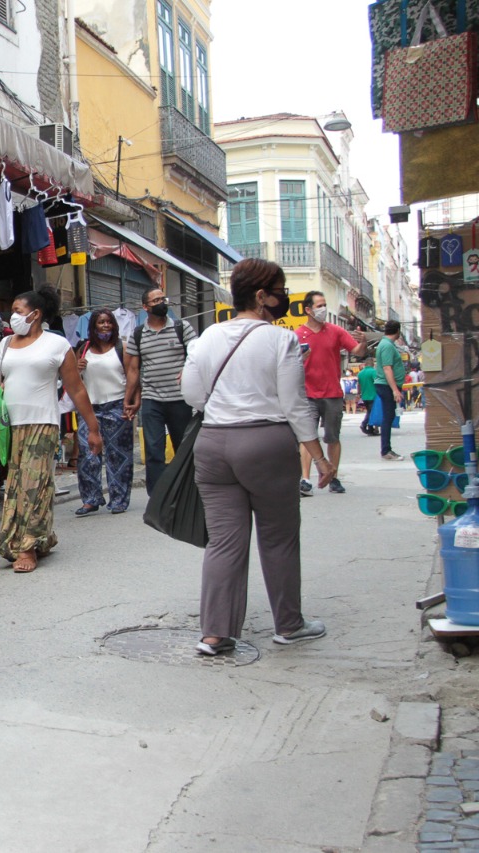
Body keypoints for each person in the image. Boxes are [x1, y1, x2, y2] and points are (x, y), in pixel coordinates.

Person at [181, 259, 333, 657]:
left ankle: (215, 634)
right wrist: (319, 458)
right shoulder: (279, 340)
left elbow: (192, 395)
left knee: (225, 542)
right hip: (265, 444)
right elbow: (296, 406)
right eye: (279, 289)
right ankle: (289, 624)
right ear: (261, 296)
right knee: (279, 538)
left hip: (213, 445)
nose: (285, 296)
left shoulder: (206, 337)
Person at [0, 289, 101, 570]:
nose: (12, 316)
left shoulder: (57, 344)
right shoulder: (4, 344)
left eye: (17, 310)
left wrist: (93, 427)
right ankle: (32, 539)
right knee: (14, 485)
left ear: (35, 314)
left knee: (35, 484)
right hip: (10, 425)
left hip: (42, 423)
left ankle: (28, 548)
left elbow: (76, 388)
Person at [126, 288, 198, 494]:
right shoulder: (138, 334)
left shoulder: (181, 327)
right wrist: (128, 398)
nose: (161, 302)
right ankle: (157, 495)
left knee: (183, 448)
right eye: (156, 300)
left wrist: (187, 368)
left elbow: (196, 355)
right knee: (154, 449)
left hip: (180, 399)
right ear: (145, 307)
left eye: (162, 299)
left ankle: (189, 490)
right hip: (152, 400)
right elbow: (133, 369)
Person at [295, 290, 366, 496]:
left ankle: (333, 477)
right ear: (308, 310)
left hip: (332, 393)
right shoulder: (298, 335)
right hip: (307, 394)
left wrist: (362, 341)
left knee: (332, 437)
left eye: (324, 304)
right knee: (307, 437)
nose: (323, 309)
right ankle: (306, 479)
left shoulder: (335, 331)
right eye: (319, 306)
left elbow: (357, 351)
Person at [73, 308, 135, 516]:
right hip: (89, 407)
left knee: (118, 455)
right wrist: (77, 367)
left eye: (109, 322)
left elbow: (133, 376)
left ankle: (118, 499)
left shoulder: (122, 347)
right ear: (93, 326)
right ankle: (91, 499)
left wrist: (132, 402)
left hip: (117, 405)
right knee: (87, 453)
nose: (105, 325)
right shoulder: (83, 349)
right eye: (101, 322)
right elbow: (72, 379)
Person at [373, 319, 407, 461]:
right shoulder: (387, 346)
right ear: (398, 331)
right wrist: (395, 390)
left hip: (387, 385)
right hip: (386, 386)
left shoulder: (387, 344)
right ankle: (386, 450)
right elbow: (387, 368)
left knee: (389, 416)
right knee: (388, 417)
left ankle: (386, 449)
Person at [358, 356, 379, 435]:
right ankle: (364, 424)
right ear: (373, 364)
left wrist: (359, 394)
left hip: (364, 396)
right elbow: (377, 382)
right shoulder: (373, 372)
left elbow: (359, 385)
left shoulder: (360, 373)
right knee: (371, 412)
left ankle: (370, 428)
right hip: (373, 395)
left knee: (369, 411)